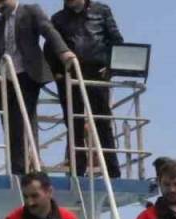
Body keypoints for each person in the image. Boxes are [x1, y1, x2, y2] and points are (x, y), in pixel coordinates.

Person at [0, 0, 74, 174]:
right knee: (11, 124)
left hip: (28, 74)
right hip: (6, 79)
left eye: (0, 0)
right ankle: (25, 163)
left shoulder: (31, 11)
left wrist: (63, 52)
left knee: (22, 120)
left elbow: (49, 31)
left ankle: (21, 169)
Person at [51, 0, 124, 178]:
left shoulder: (102, 11)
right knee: (73, 123)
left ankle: (112, 170)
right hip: (70, 75)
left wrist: (110, 66)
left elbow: (116, 41)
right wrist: (57, 73)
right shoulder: (58, 19)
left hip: (96, 73)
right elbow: (50, 47)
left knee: (102, 122)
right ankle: (77, 170)